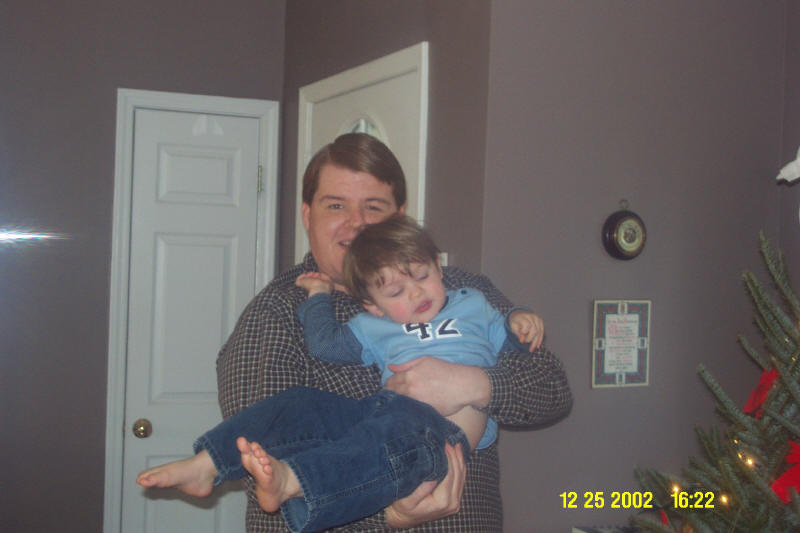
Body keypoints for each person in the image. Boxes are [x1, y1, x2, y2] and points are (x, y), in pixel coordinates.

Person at [216, 133, 572, 531]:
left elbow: (553, 390)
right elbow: (265, 478)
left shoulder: (461, 291)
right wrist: (391, 517)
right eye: (336, 205)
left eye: (374, 207)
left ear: (400, 216)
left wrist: (474, 384)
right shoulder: (275, 316)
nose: (357, 223)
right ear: (307, 214)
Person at [136, 215, 543, 532]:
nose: (416, 293)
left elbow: (514, 345)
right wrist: (318, 296)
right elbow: (326, 344)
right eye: (396, 292)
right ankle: (208, 463)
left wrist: (518, 322)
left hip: (438, 436)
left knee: (379, 439)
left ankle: (294, 481)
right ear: (373, 306)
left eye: (422, 276)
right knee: (303, 405)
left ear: (438, 267)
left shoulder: (472, 302)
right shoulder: (373, 326)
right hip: (383, 412)